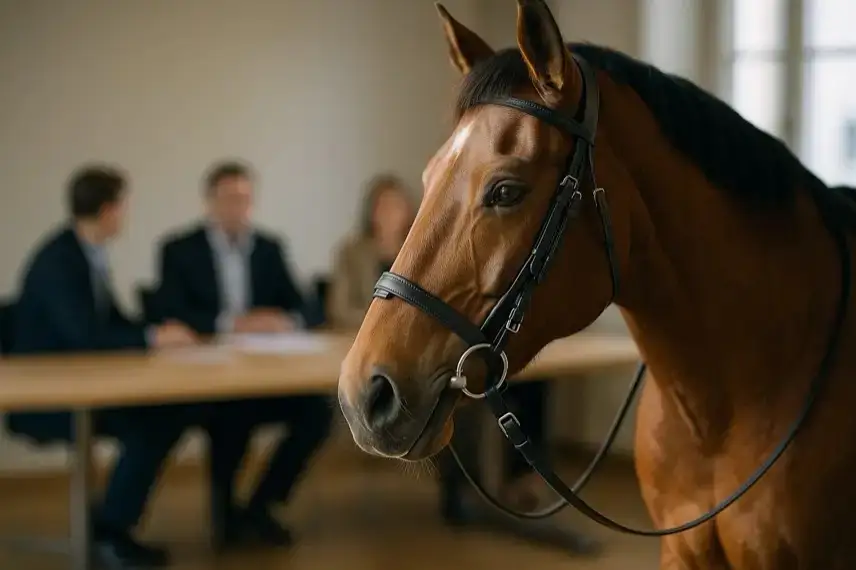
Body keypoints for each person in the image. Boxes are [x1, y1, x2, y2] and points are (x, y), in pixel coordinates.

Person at [7, 165, 199, 568]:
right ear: (109, 210)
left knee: (167, 413)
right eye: (124, 206)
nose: (126, 215)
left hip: (85, 387)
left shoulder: (87, 253)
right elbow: (83, 336)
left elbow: (110, 322)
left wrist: (154, 332)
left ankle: (111, 528)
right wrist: (149, 339)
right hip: (49, 398)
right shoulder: (58, 260)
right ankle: (110, 535)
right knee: (152, 423)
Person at [155, 159, 332, 549]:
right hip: (207, 381)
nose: (238, 207)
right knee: (231, 417)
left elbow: (308, 307)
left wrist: (284, 320)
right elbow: (169, 311)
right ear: (210, 202)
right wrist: (229, 324)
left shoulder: (269, 247)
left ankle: (261, 506)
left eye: (245, 199)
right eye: (230, 198)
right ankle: (226, 518)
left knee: (318, 412)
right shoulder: (179, 250)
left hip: (265, 375)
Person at [328, 173, 415, 329]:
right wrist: (382, 320)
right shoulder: (351, 253)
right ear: (371, 212)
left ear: (407, 211)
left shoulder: (420, 253)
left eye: (396, 206)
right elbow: (339, 310)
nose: (388, 214)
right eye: (383, 206)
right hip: (360, 336)